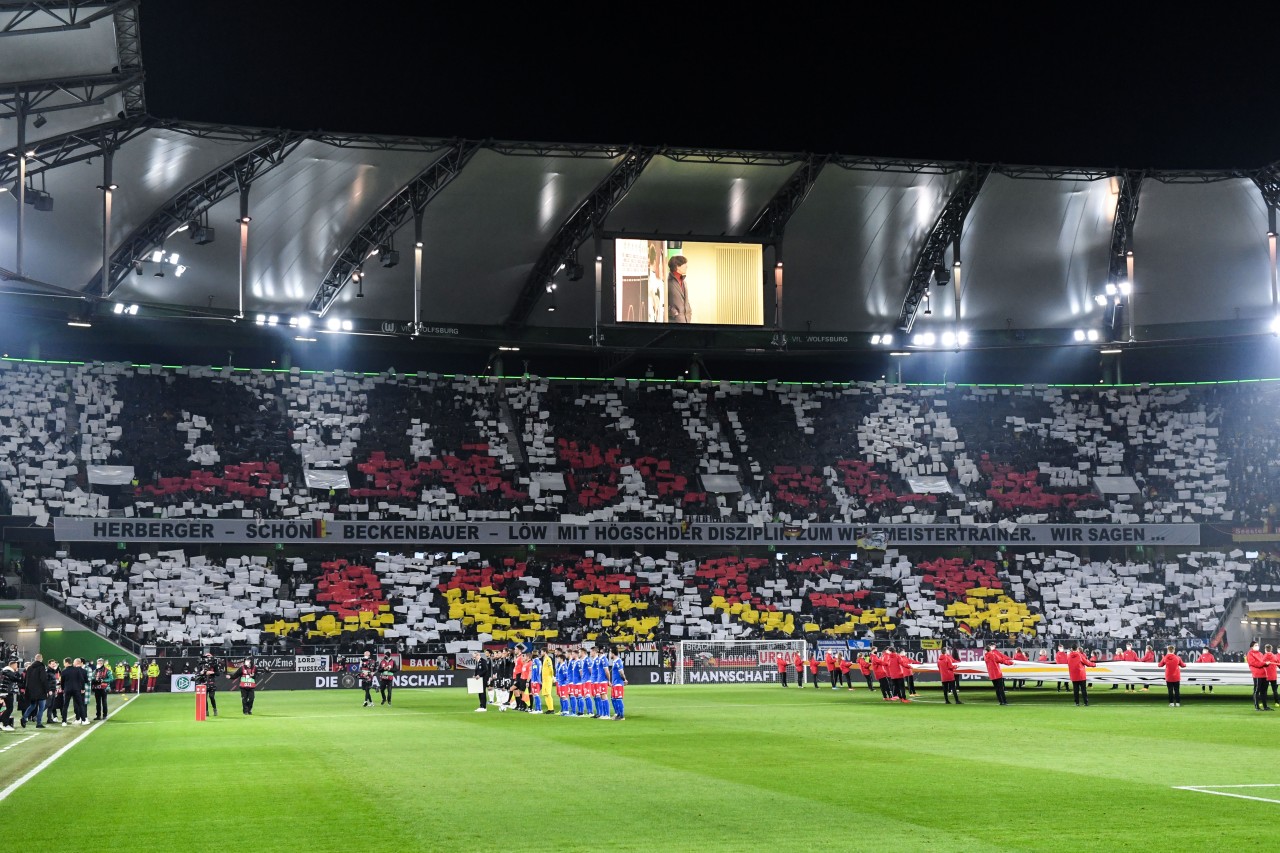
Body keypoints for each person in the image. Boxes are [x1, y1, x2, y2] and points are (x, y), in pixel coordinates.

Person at [22, 654, 49, 728]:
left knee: (32, 705)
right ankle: (38, 723)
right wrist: (47, 689)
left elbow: (26, 680)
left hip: (31, 691)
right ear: (41, 659)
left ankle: (24, 718)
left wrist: (26, 690)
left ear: (35, 659)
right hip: (40, 691)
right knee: (41, 708)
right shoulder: (41, 667)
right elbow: (43, 679)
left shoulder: (30, 668)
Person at [62, 658, 89, 725]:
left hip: (67, 690)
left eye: (64, 663)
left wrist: (63, 689)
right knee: (80, 705)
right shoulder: (77, 670)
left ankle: (64, 722)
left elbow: (62, 682)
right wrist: (82, 688)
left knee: (65, 706)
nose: (64, 664)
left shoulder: (64, 671)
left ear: (67, 663)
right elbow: (82, 680)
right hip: (76, 690)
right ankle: (83, 720)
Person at [1247, 640, 1271, 711]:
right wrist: (1264, 663)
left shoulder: (1260, 653)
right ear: (1252, 647)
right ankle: (1257, 707)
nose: (1257, 646)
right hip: (1257, 675)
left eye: (1257, 645)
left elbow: (1263, 662)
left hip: (1264, 674)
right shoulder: (1250, 654)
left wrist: (1267, 663)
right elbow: (1254, 663)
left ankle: (1265, 706)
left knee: (1264, 691)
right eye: (1255, 645)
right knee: (1256, 691)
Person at [667, 255, 691, 323]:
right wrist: (673, 312)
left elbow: (686, 300)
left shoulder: (683, 281)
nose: (687, 266)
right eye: (684, 264)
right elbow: (664, 302)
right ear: (677, 266)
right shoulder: (668, 282)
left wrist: (689, 311)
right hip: (675, 320)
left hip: (686, 320)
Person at [195, 652, 220, 717]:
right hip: (204, 683)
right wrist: (201, 672)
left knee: (212, 697)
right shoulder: (201, 665)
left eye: (209, 656)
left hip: (211, 683)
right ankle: (206, 711)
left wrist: (212, 672)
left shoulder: (214, 665)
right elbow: (197, 673)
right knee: (204, 698)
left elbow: (218, 673)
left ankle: (215, 709)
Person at [0, 658, 21, 731]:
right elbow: (17, 679)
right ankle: (5, 724)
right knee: (9, 708)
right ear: (13, 665)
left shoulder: (5, 671)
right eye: (16, 665)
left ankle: (3, 723)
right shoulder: (8, 671)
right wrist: (17, 672)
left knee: (7, 708)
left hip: (5, 692)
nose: (17, 667)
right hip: (6, 692)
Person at [608, 648, 627, 721]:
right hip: (614, 683)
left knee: (618, 699)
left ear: (613, 653)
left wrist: (624, 679)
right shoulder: (615, 661)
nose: (609, 655)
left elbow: (621, 672)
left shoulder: (618, 661)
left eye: (610, 653)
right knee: (613, 699)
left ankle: (621, 716)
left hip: (618, 683)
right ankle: (617, 714)